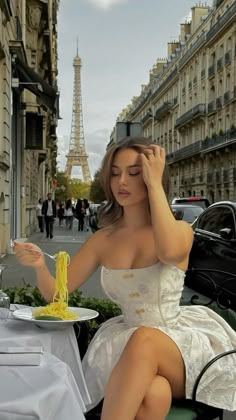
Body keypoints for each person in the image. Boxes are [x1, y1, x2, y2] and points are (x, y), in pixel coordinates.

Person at [14, 137, 236, 420]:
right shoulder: (103, 239)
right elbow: (57, 296)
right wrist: (38, 266)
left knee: (144, 339)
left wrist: (155, 184)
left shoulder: (180, 231)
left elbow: (168, 252)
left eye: (134, 173)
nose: (122, 181)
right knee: (154, 394)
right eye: (115, 172)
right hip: (126, 344)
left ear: (151, 175)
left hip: (178, 347)